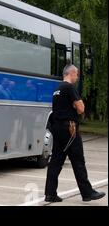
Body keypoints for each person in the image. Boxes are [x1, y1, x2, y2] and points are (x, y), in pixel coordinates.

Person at [44, 64, 106, 202]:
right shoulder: (69, 88)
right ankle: (87, 193)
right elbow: (81, 108)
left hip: (58, 128)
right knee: (78, 161)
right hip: (70, 129)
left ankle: (50, 193)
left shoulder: (57, 89)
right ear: (71, 73)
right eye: (76, 74)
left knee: (56, 161)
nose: (77, 77)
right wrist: (76, 106)